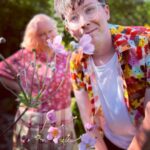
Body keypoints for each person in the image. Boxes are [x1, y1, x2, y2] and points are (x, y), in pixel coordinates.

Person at [54, 0, 150, 149]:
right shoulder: (76, 62)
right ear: (68, 29)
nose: (84, 22)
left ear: (106, 12)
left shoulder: (144, 42)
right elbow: (88, 121)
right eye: (73, 17)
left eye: (89, 9)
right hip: (112, 143)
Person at [0, 13, 77, 150]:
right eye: (42, 34)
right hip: (35, 120)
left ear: (55, 30)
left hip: (63, 116)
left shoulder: (64, 54)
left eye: (50, 31)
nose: (48, 36)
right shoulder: (27, 55)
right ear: (33, 37)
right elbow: (1, 71)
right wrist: (20, 87)